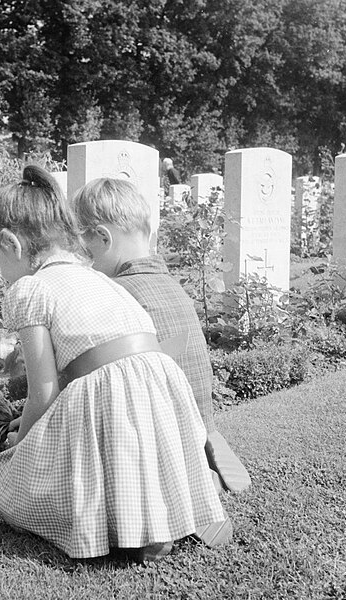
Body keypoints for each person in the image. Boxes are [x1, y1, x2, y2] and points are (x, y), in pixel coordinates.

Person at [0, 165, 225, 561]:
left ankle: (124, 526)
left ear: (11, 244)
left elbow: (44, 392)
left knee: (2, 484)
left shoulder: (30, 289)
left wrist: (19, 445)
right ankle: (157, 518)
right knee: (119, 433)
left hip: (109, 391)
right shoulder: (96, 276)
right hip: (160, 384)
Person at [72, 177, 252, 500]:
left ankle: (184, 473)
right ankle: (203, 448)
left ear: (102, 238)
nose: (87, 262)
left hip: (162, 429)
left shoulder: (117, 293)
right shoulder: (172, 286)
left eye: (87, 252)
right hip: (199, 413)